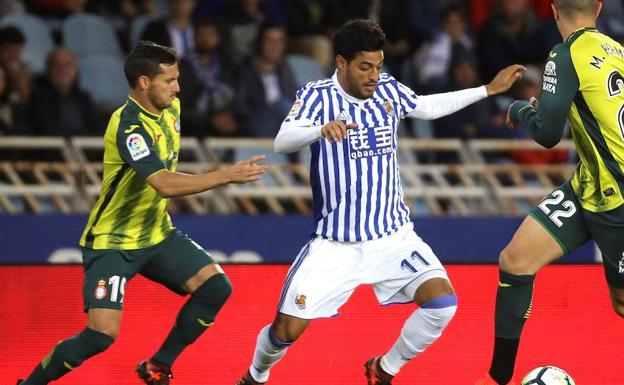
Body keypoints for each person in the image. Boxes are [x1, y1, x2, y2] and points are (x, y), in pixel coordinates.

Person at [234, 19, 524, 385]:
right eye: (365, 67)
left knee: (442, 306)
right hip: (335, 244)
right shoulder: (317, 96)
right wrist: (319, 130)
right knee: (285, 331)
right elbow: (283, 140)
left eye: (379, 65)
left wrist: (487, 89)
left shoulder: (387, 89)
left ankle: (384, 369)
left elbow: (426, 107)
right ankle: (256, 375)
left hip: (393, 237)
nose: (374, 75)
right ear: (341, 62)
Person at [16, 41, 268, 385]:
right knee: (100, 336)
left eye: (177, 79)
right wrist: (227, 175)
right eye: (169, 81)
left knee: (216, 287)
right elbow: (163, 183)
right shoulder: (128, 126)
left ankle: (157, 366)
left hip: (156, 233)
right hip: (113, 241)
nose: (178, 88)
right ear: (144, 83)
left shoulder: (173, 108)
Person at [475, 1, 624, 385]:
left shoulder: (564, 53)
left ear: (554, 9)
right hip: (588, 184)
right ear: (600, 7)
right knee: (516, 260)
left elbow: (545, 134)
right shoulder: (617, 50)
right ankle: (497, 378)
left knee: (621, 304)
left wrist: (522, 109)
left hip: (619, 200)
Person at [26, 48, 100, 136]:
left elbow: (97, 129)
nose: (62, 70)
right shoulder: (38, 98)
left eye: (67, 65)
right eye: (56, 65)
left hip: (85, 148)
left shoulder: (84, 98)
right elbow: (46, 129)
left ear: (76, 70)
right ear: (48, 69)